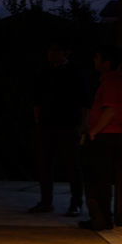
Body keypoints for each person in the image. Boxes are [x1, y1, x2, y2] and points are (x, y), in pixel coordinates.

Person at [27, 39, 86, 215]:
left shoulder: (74, 72)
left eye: (56, 51)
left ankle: (75, 202)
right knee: (45, 164)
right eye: (50, 51)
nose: (52, 54)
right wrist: (38, 119)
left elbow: (84, 99)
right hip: (47, 123)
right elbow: (36, 99)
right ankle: (46, 201)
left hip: (68, 123)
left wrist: (82, 123)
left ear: (65, 53)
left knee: (72, 165)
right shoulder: (44, 72)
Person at [80, 45, 122, 231]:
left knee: (98, 179)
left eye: (97, 58)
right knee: (100, 179)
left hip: (106, 136)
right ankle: (100, 217)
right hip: (109, 135)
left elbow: (110, 111)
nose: (95, 61)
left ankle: (101, 218)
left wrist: (93, 131)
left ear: (106, 63)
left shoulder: (112, 83)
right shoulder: (112, 82)